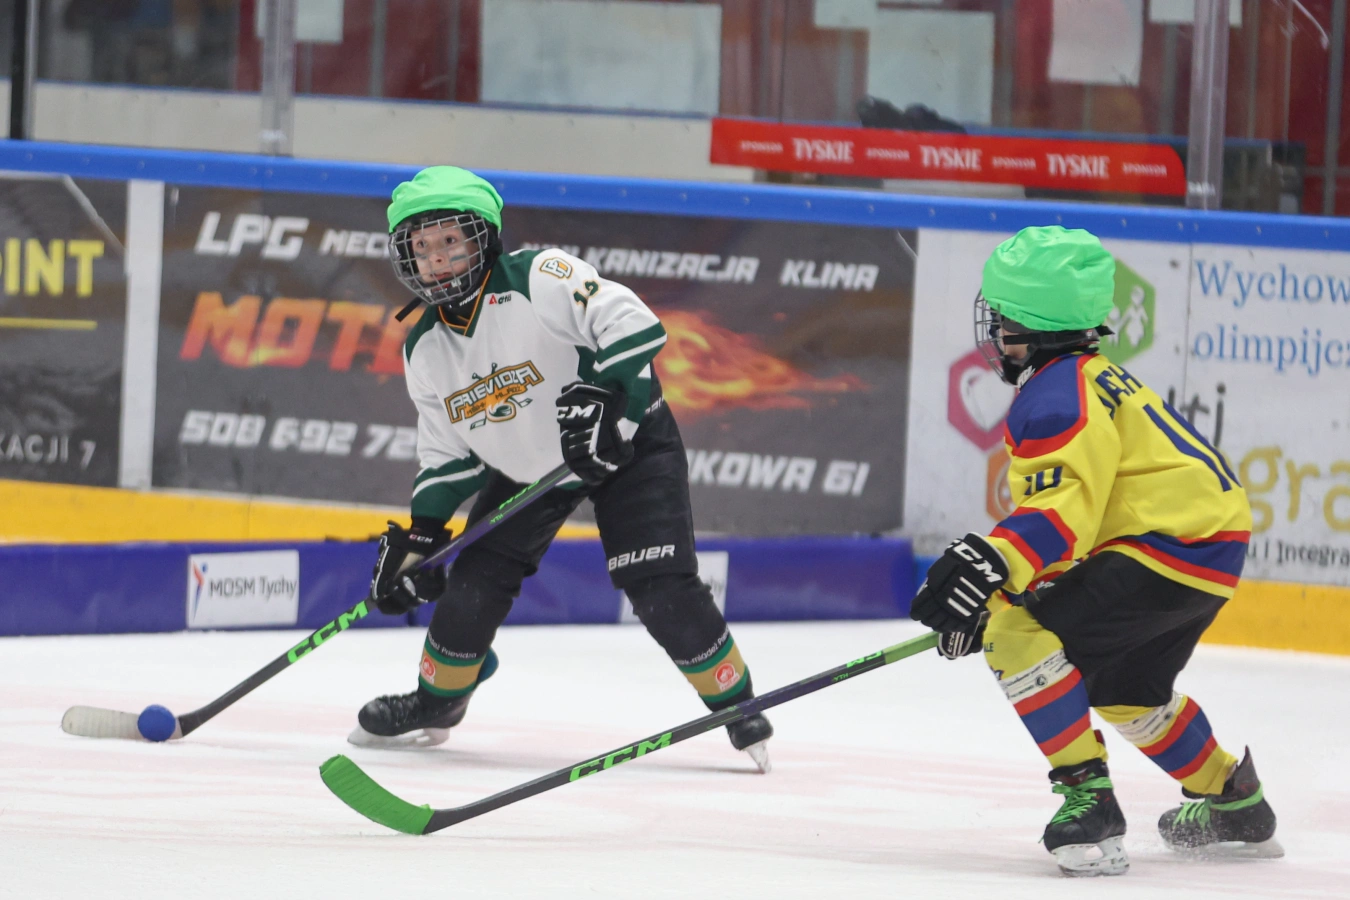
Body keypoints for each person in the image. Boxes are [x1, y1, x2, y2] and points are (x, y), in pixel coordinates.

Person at [349, 165, 772, 771]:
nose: (437, 258)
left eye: (450, 240)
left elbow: (632, 322)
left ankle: (737, 704)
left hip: (625, 441)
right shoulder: (426, 348)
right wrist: (422, 535)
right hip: (530, 471)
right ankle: (438, 703)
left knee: (658, 583)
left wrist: (608, 397)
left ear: (483, 238)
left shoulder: (539, 275)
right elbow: (448, 455)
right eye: (422, 246)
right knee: (471, 586)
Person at [909, 226, 1279, 875]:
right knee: (1126, 688)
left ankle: (1091, 804)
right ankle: (1236, 800)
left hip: (1165, 548)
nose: (995, 335)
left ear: (1033, 330)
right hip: (1205, 549)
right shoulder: (1093, 377)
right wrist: (1002, 585)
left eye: (1004, 323)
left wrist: (993, 572)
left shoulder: (1056, 397)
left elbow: (1063, 512)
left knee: (1016, 635)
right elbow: (1082, 522)